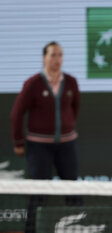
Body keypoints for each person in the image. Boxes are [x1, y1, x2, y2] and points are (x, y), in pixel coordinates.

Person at [10, 41, 81, 233]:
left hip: (67, 145)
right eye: (53, 55)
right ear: (44, 58)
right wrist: (18, 141)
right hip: (38, 146)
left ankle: (81, 228)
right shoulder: (33, 83)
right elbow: (17, 113)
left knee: (74, 191)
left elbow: (74, 108)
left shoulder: (71, 82)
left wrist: (67, 127)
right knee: (38, 193)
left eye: (60, 55)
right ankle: (30, 230)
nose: (57, 59)